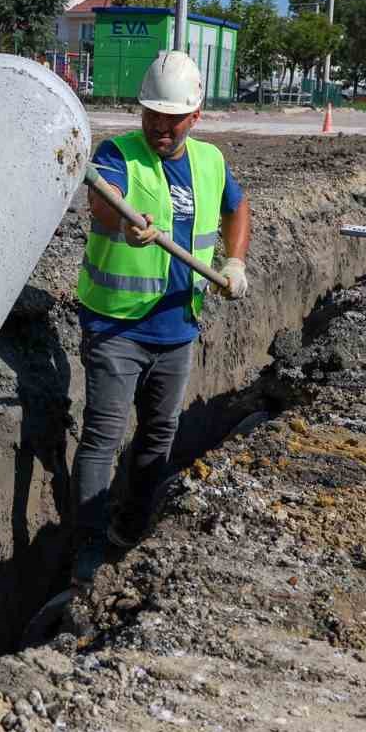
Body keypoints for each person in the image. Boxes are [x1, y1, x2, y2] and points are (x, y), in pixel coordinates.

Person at [71, 50, 250, 585]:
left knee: (159, 433)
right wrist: (125, 221)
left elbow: (236, 207)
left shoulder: (211, 162)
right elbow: (103, 202)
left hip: (178, 326)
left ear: (195, 116)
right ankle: (86, 552)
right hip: (116, 327)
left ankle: (131, 531)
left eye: (172, 119)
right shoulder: (116, 154)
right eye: (151, 115)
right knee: (103, 438)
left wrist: (235, 260)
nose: (160, 128)